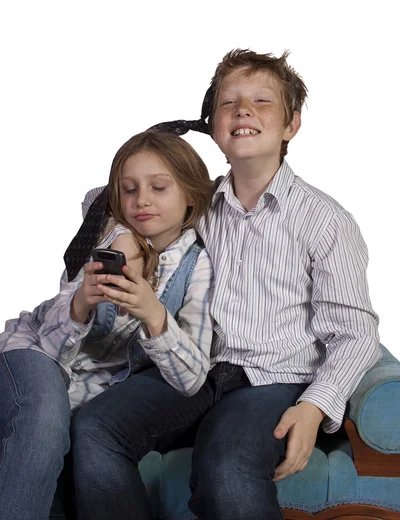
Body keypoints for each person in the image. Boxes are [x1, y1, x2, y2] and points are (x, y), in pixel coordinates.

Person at [68, 49, 381, 520]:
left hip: (272, 380)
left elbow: (356, 335)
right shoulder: (197, 202)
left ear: (291, 125)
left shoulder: (325, 221)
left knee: (226, 467)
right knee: (94, 428)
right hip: (195, 370)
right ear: (212, 125)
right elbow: (113, 196)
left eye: (261, 102)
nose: (243, 111)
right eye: (229, 103)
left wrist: (315, 408)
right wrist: (124, 232)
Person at [0, 131, 214, 520]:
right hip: (32, 353)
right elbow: (48, 345)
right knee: (45, 420)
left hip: (96, 384)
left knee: (65, 441)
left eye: (159, 187)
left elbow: (192, 378)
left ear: (191, 195)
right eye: (128, 191)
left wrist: (154, 314)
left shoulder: (200, 266)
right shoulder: (106, 239)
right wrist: (82, 301)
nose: (141, 200)